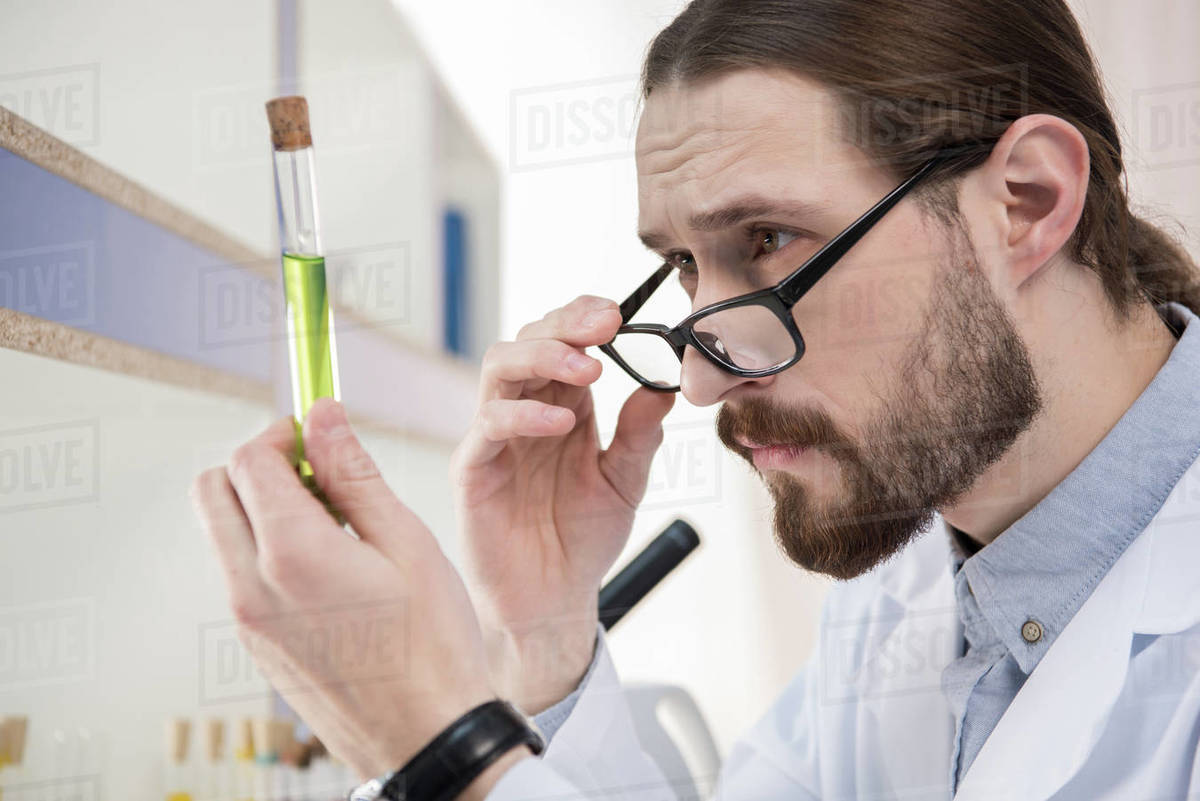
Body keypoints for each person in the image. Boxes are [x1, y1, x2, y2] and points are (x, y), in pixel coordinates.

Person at [190, 0, 1200, 799]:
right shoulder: (908, 599)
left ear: (1023, 202)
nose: (706, 380)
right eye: (682, 263)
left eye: (767, 239)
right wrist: (547, 636)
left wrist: (440, 749)